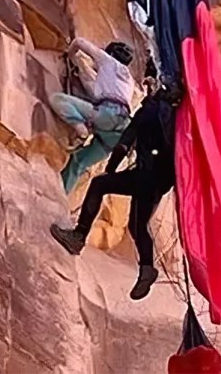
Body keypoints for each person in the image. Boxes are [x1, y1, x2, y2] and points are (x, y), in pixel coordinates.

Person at [50, 67, 180, 301]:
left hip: (145, 174)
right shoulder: (177, 118)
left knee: (100, 184)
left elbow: (124, 144)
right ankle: (147, 268)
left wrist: (111, 169)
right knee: (137, 224)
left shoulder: (147, 111)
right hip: (161, 182)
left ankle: (78, 237)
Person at [50, 37, 136, 192]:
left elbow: (79, 42)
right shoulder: (129, 81)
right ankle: (60, 197)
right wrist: (81, 71)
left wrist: (69, 53)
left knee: (57, 99)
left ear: (109, 52)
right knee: (78, 163)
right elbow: (97, 91)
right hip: (120, 132)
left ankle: (80, 128)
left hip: (107, 115)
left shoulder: (107, 61)